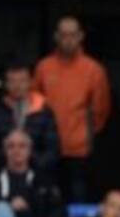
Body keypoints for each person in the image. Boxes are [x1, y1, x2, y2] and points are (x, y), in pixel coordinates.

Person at [33, 15, 111, 203]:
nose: (68, 40)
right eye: (64, 35)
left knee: (78, 197)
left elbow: (101, 110)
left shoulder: (93, 69)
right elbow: (34, 104)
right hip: (47, 146)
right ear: (56, 37)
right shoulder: (44, 67)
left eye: (72, 35)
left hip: (80, 148)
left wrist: (86, 134)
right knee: (47, 195)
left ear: (81, 36)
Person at [0, 60, 59, 173]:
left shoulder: (44, 112)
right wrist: (8, 152)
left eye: (22, 81)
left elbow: (52, 153)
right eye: (12, 81)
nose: (18, 86)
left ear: (30, 82)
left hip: (36, 177)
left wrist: (27, 155)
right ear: (6, 84)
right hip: (0, 176)